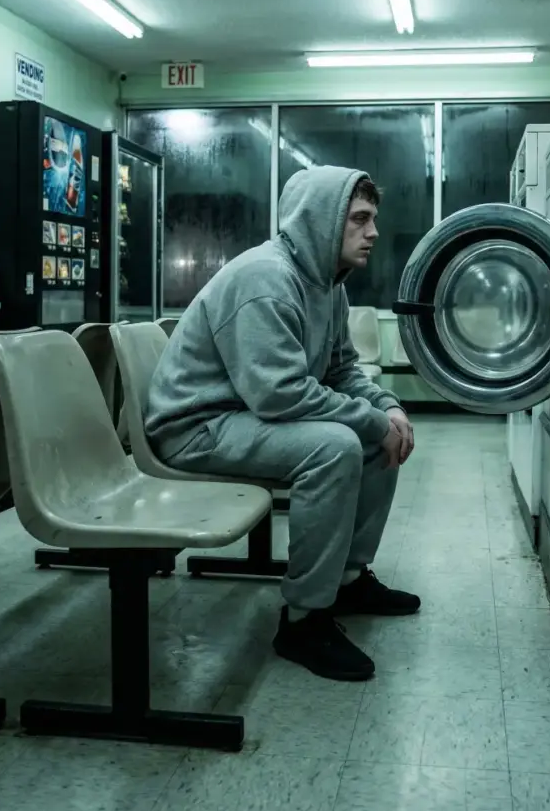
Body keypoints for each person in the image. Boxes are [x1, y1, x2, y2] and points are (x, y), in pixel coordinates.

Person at [145, 165, 419, 681]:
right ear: (322, 220)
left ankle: (347, 578)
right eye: (359, 219)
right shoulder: (265, 278)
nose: (374, 233)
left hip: (243, 414)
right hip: (195, 427)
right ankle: (302, 620)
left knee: (378, 435)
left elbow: (341, 370)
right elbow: (279, 394)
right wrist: (367, 420)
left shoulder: (327, 284)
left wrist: (386, 408)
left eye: (373, 219)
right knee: (336, 445)